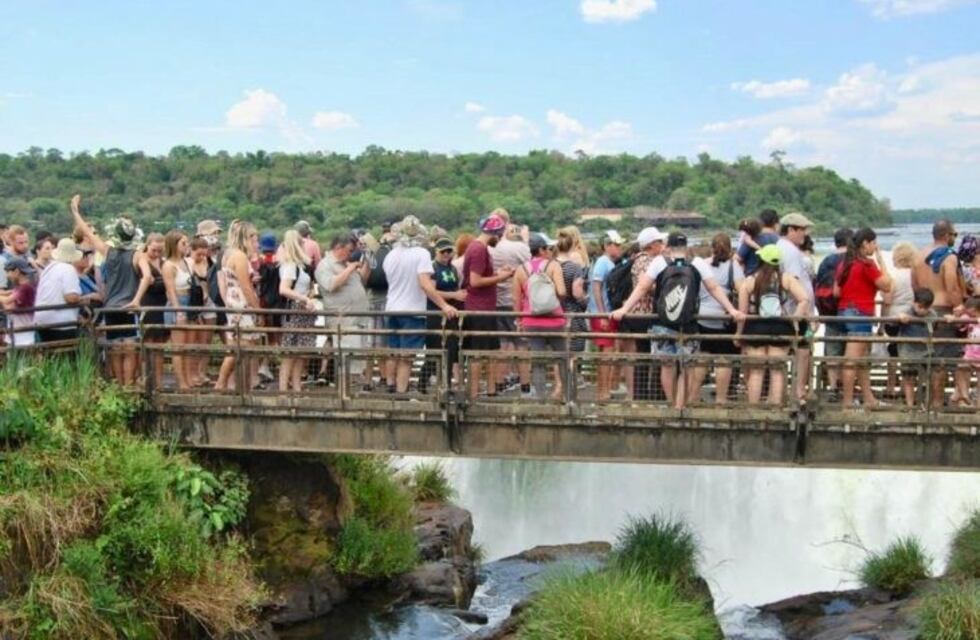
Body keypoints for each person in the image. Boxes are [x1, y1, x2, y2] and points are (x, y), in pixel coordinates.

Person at [612, 232, 744, 409]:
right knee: (687, 368)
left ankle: (672, 403)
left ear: (668, 246)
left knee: (667, 367)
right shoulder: (697, 263)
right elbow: (713, 288)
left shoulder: (659, 262)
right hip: (688, 324)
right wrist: (732, 310)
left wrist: (624, 309)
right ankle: (680, 406)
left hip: (663, 324)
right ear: (686, 246)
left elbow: (642, 287)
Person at [383, 215, 457, 395]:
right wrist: (444, 305)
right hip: (412, 311)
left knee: (394, 351)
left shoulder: (390, 255)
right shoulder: (422, 254)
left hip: (391, 309)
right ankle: (402, 392)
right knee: (407, 356)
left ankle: (391, 385)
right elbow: (425, 284)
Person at [735, 245, 812, 405]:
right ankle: (775, 408)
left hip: (755, 327)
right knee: (777, 371)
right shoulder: (786, 278)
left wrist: (739, 334)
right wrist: (795, 318)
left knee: (756, 372)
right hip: (780, 327)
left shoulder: (750, 281)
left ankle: (754, 409)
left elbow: (742, 313)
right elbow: (804, 299)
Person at [834, 227, 893, 407]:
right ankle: (847, 403)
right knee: (852, 360)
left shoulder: (845, 264)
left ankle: (869, 399)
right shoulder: (867, 264)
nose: (875, 247)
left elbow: (836, 292)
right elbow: (887, 285)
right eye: (874, 243)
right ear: (865, 243)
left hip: (844, 312)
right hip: (860, 314)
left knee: (861, 359)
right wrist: (881, 260)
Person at [911, 220, 967, 408]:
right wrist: (959, 307)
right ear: (946, 235)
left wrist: (922, 306)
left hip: (923, 310)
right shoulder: (949, 257)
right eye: (954, 234)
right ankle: (936, 403)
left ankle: (925, 402)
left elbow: (914, 286)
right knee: (942, 360)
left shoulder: (918, 255)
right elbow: (951, 287)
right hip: (943, 311)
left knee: (927, 357)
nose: (955, 238)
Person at [687, 233, 742, 405]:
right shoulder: (733, 266)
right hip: (723, 318)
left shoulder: (702, 264)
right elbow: (741, 290)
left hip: (701, 317)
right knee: (723, 360)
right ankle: (720, 399)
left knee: (701, 358)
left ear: (712, 247)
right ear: (730, 248)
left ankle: (693, 397)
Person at [462, 213, 513, 398]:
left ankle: (490, 390)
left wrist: (498, 273)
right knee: (477, 354)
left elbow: (479, 276)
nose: (499, 239)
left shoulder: (478, 248)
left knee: (492, 351)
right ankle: (474, 393)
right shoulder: (479, 250)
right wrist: (501, 277)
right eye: (499, 235)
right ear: (495, 233)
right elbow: (475, 281)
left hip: (484, 308)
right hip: (479, 309)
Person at [513, 233, 567, 400]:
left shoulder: (520, 270)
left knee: (538, 362)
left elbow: (516, 300)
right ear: (542, 250)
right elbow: (562, 292)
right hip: (555, 320)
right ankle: (566, 397)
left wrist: (519, 321)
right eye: (548, 248)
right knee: (562, 358)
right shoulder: (553, 266)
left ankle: (540, 398)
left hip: (531, 321)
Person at [315, 232, 371, 389]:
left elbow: (362, 280)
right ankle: (344, 394)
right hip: (344, 321)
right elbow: (331, 284)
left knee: (356, 362)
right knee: (346, 361)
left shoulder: (345, 263)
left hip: (358, 320)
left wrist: (367, 260)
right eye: (349, 250)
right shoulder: (325, 265)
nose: (351, 254)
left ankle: (350, 392)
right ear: (339, 247)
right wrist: (350, 268)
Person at [215, 222, 262, 391]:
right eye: (254, 239)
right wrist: (258, 309)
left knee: (237, 346)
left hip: (234, 301)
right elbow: (246, 286)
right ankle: (223, 383)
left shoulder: (229, 254)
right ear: (246, 239)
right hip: (241, 304)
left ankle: (234, 384)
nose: (256, 244)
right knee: (241, 346)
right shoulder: (240, 256)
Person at [777, 212, 816, 402]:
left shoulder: (784, 248)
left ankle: (790, 390)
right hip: (796, 312)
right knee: (802, 350)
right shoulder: (790, 251)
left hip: (793, 310)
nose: (804, 234)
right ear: (791, 230)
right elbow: (794, 282)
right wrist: (806, 312)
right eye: (802, 230)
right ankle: (798, 391)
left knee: (796, 351)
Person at [624, 227, 667, 401]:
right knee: (646, 353)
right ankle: (645, 394)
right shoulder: (646, 261)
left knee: (645, 353)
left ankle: (643, 393)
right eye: (659, 242)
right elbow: (645, 285)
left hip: (639, 312)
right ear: (652, 245)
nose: (662, 245)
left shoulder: (640, 259)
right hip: (644, 313)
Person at [491, 216, 531, 393]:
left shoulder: (497, 248)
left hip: (498, 302)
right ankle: (525, 385)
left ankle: (499, 383)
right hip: (516, 302)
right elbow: (530, 268)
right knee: (522, 345)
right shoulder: (522, 248)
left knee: (502, 344)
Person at [421, 237, 466, 393]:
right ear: (437, 252)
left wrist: (459, 295)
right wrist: (454, 295)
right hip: (435, 314)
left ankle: (446, 385)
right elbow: (431, 292)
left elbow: (456, 288)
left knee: (451, 350)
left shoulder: (453, 269)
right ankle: (422, 383)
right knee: (434, 351)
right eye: (443, 251)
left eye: (449, 251)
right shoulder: (433, 268)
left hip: (451, 314)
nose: (447, 254)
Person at [814, 228, 853, 394]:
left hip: (830, 311)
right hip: (850, 309)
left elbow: (817, 285)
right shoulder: (853, 260)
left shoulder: (826, 261)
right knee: (852, 351)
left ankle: (833, 387)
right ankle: (848, 387)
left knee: (832, 351)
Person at [277, 230, 317, 393]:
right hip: (295, 310)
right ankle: (283, 389)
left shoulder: (300, 265)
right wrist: (304, 298)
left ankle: (296, 386)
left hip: (302, 310)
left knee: (300, 351)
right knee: (290, 352)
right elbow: (283, 289)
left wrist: (308, 296)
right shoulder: (290, 265)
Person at [588, 231, 624, 401]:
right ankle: (603, 392)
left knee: (606, 352)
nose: (619, 248)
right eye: (616, 245)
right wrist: (602, 314)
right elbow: (596, 287)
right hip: (602, 313)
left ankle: (604, 390)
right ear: (607, 245)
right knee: (606, 353)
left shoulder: (607, 262)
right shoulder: (603, 262)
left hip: (605, 312)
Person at [881, 242, 916, 397]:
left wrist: (881, 322)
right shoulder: (916, 275)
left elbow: (887, 300)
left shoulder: (893, 276)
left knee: (893, 352)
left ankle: (890, 386)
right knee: (908, 353)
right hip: (912, 318)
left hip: (893, 317)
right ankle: (905, 387)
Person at [33, 238, 83, 343]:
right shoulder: (68, 269)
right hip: (61, 321)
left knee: (50, 351)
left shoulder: (49, 268)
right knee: (67, 350)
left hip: (42, 319)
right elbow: (71, 297)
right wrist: (84, 299)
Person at [896, 288, 937, 408]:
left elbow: (935, 324)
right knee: (909, 378)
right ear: (913, 302)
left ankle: (926, 405)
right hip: (907, 353)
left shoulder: (932, 315)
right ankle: (910, 406)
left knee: (929, 378)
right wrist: (900, 317)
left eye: (926, 308)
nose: (922, 310)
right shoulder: (906, 311)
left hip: (926, 352)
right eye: (920, 306)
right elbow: (893, 322)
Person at [162, 230, 193, 391]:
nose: (186, 246)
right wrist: (178, 311)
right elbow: (171, 290)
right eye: (183, 243)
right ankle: (181, 382)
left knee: (188, 346)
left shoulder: (186, 262)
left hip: (189, 301)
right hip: (178, 303)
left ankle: (188, 378)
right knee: (178, 347)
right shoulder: (168, 265)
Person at [186, 236, 216, 387]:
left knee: (206, 340)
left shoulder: (208, 262)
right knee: (195, 340)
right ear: (191, 251)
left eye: (204, 254)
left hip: (208, 302)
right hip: (194, 302)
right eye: (199, 254)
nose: (202, 257)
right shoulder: (187, 263)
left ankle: (202, 372)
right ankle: (192, 374)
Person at [555, 227, 589, 354]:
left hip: (554, 310)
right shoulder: (575, 265)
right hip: (572, 311)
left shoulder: (550, 264)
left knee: (557, 350)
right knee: (574, 351)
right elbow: (577, 292)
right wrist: (585, 301)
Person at [0, 258, 36, 347]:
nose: (7, 276)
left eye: (8, 272)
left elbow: (7, 302)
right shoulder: (21, 286)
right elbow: (7, 293)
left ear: (16, 271)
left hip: (23, 336)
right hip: (17, 333)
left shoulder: (25, 287)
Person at [736, 210, 779, 276]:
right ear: (775, 223)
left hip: (751, 277)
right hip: (773, 277)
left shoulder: (750, 239)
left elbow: (737, 259)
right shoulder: (781, 240)